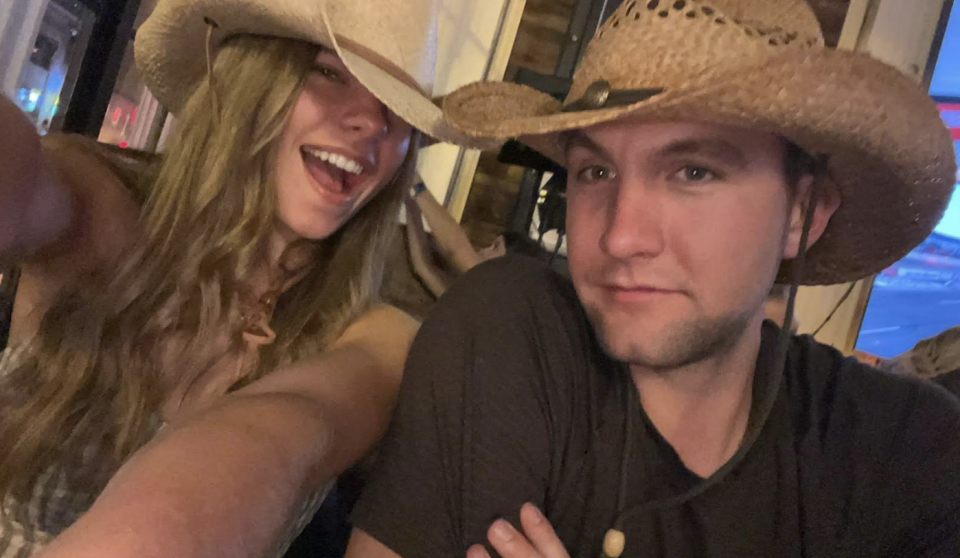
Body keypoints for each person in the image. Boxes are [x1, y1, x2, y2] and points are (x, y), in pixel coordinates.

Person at [344, 0, 960, 557]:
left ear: (803, 214)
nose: (620, 237)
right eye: (595, 173)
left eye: (693, 171)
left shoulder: (908, 450)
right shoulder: (513, 334)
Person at [0, 0, 491, 556]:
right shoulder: (102, 208)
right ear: (252, 75)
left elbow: (281, 436)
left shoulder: (376, 338)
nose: (372, 122)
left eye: (397, 108)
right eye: (330, 73)